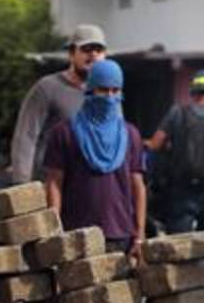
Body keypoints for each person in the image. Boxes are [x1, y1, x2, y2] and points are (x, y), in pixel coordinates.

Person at [43, 59, 147, 260]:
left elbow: (138, 187)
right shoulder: (65, 132)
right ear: (90, 90)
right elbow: (54, 182)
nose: (110, 97)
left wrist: (140, 234)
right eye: (103, 90)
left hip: (120, 234)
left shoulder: (130, 134)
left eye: (115, 91)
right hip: (75, 235)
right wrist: (54, 229)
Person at [144, 70, 204, 272]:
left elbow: (155, 144)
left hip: (181, 191)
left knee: (177, 249)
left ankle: (176, 296)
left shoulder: (177, 113)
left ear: (194, 92)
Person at [11, 24, 107, 184]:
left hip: (90, 186)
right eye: (86, 49)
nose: (93, 54)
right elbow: (26, 137)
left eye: (99, 50)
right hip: (51, 183)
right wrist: (22, 184)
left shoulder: (108, 93)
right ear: (71, 54)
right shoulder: (47, 87)